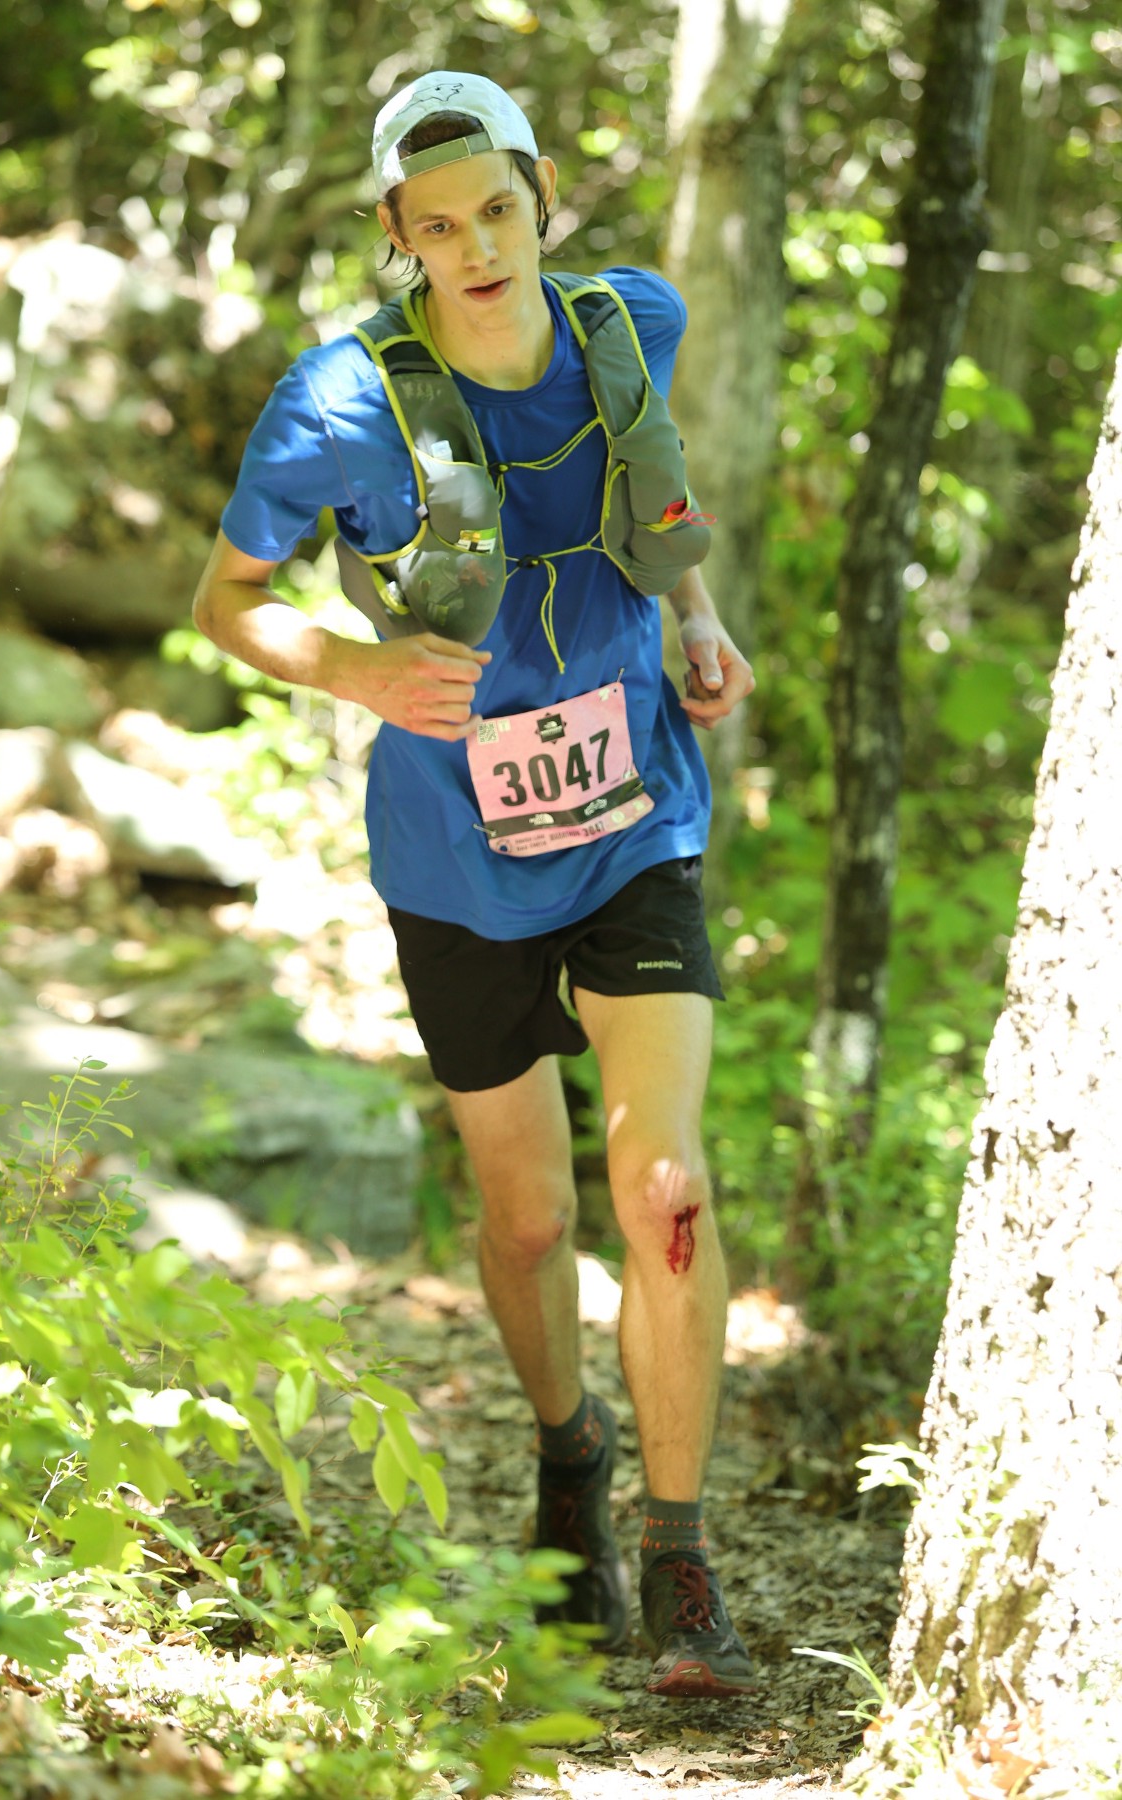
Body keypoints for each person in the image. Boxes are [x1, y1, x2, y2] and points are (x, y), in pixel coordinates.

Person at [193, 71, 758, 1698]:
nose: (476, 245)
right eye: (434, 226)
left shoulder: (624, 319)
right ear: (397, 236)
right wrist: (360, 671)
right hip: (454, 851)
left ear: (536, 195)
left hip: (635, 816)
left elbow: (652, 495)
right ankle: (567, 1455)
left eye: (496, 208)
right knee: (527, 1219)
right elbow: (229, 601)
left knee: (661, 1189)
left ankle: (680, 1554)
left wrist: (696, 618)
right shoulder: (338, 405)